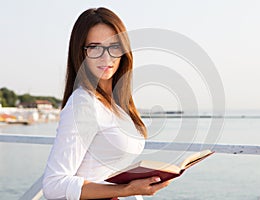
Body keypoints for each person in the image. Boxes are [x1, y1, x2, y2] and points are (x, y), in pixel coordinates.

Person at [42, 7, 170, 200]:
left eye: (114, 47)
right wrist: (126, 190)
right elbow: (54, 185)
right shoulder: (84, 103)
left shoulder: (117, 103)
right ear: (80, 52)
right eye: (94, 47)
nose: (106, 57)